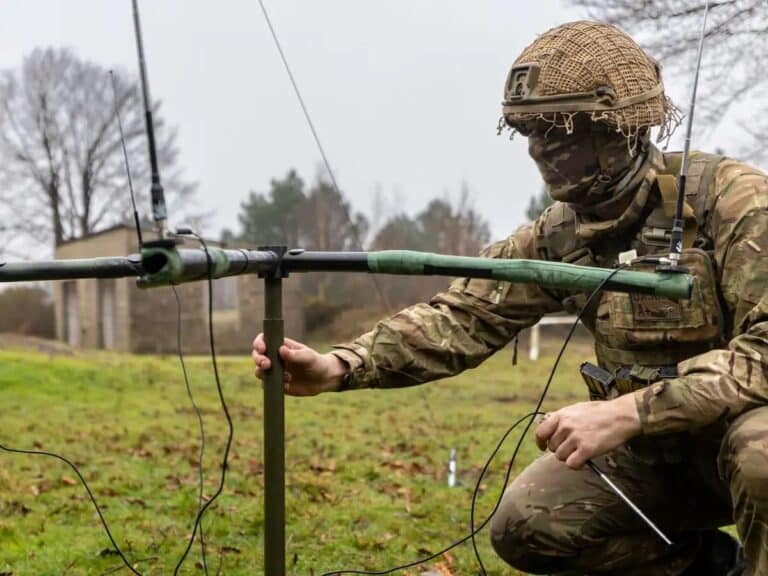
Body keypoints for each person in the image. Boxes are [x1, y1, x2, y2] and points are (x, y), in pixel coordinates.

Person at [252, 21, 768, 576]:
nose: (540, 149)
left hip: (735, 445)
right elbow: (464, 315)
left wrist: (630, 411)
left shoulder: (733, 202)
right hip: (654, 462)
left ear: (618, 130)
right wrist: (339, 366)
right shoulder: (559, 234)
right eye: (530, 132)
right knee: (528, 524)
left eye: (559, 129)